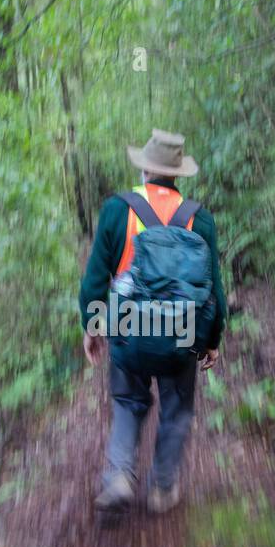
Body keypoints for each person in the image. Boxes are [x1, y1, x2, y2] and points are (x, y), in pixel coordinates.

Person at [78, 129, 228, 515]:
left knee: (128, 400)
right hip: (181, 330)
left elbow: (95, 278)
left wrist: (93, 326)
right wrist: (211, 339)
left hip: (128, 326)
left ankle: (118, 479)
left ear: (145, 170)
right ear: (177, 174)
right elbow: (213, 288)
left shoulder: (117, 209)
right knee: (176, 406)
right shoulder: (200, 219)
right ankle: (162, 489)